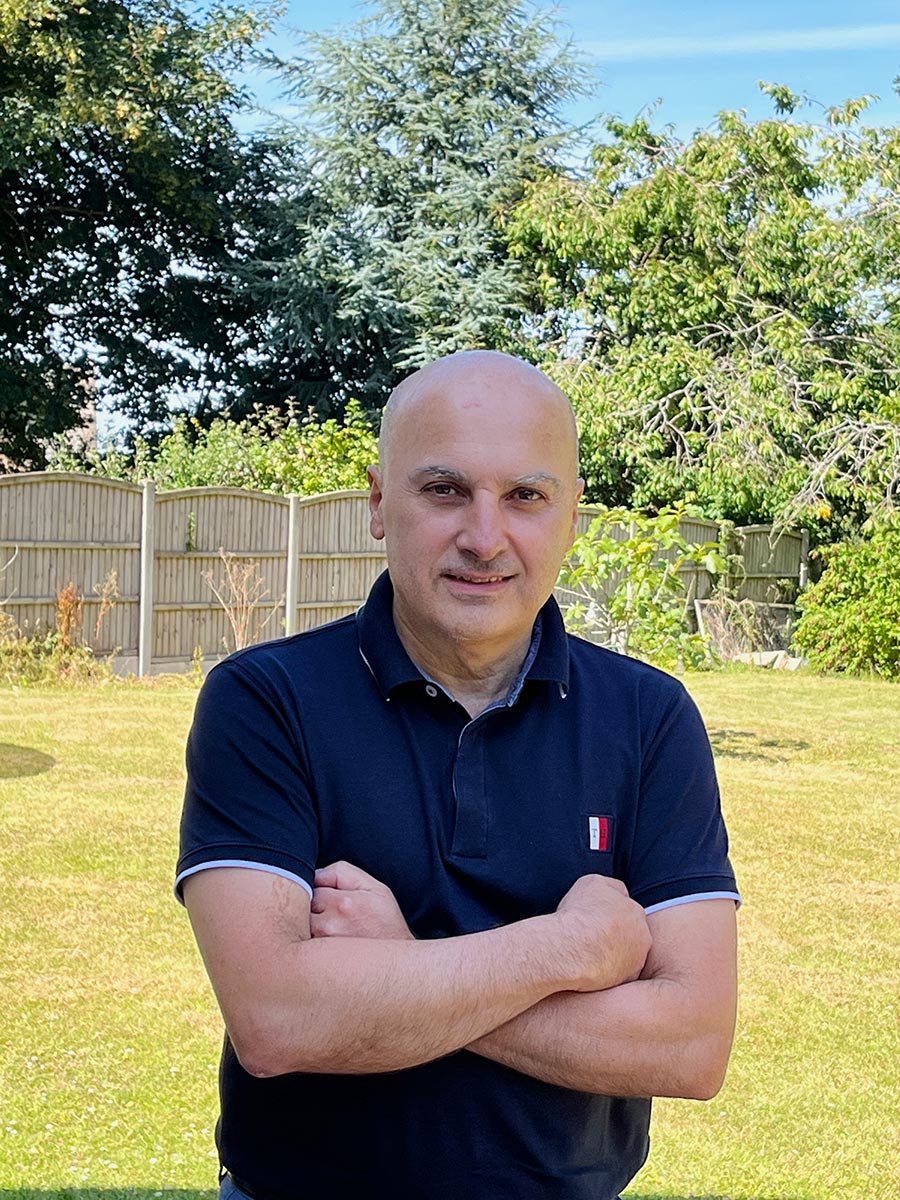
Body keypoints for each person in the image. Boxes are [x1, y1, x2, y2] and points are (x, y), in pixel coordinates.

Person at [176, 350, 740, 1200]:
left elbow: (690, 1046)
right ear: (378, 503)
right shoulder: (267, 700)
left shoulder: (648, 717)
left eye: (526, 496)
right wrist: (567, 949)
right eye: (445, 490)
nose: (484, 536)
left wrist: (404, 961)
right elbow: (278, 1019)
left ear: (572, 516)